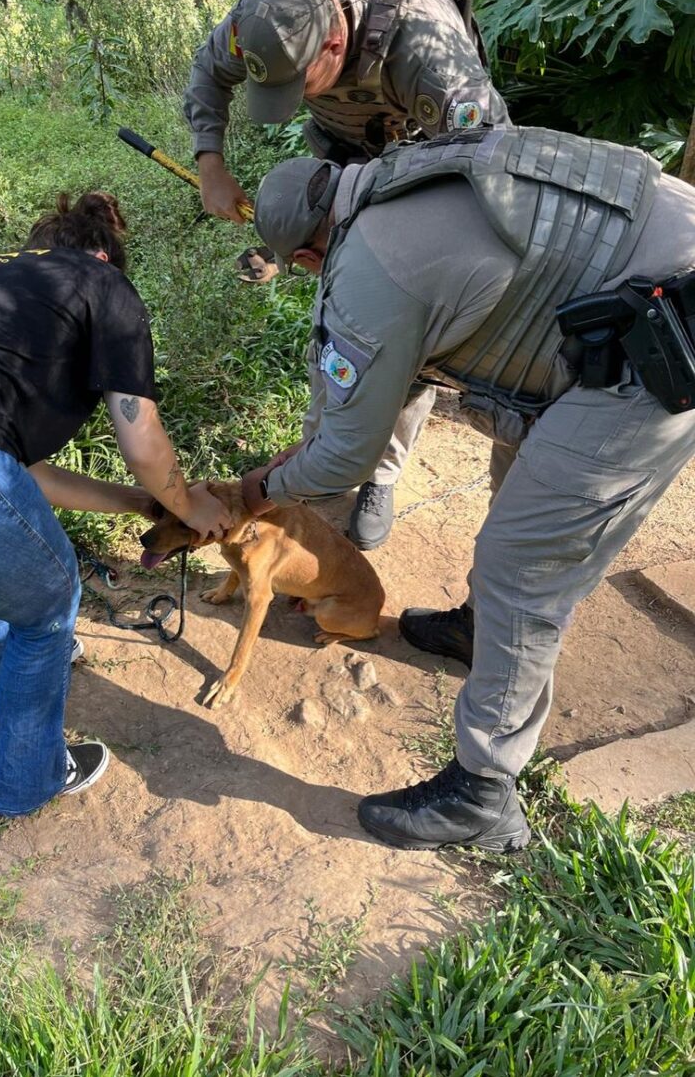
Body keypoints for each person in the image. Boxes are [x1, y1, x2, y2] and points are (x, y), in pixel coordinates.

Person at [239, 127, 695, 853]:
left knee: (524, 562)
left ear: (303, 256)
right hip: (648, 278)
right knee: (518, 465)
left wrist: (262, 485)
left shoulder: (370, 268)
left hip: (662, 339)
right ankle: (482, 633)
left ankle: (483, 793)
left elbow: (345, 457)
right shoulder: (396, 178)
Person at [185, 0, 511, 551]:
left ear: (336, 42)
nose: (299, 99)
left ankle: (379, 472)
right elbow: (209, 71)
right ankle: (328, 448)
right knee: (341, 321)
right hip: (341, 167)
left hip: (431, 178)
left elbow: (493, 166)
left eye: (303, 82)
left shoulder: (425, 46)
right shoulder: (268, 21)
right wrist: (210, 163)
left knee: (405, 338)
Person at [0, 192, 232, 818]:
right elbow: (142, 436)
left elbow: (12, 474)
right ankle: (26, 782)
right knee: (50, 601)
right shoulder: (104, 283)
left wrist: (140, 504)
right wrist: (189, 506)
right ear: (105, 256)